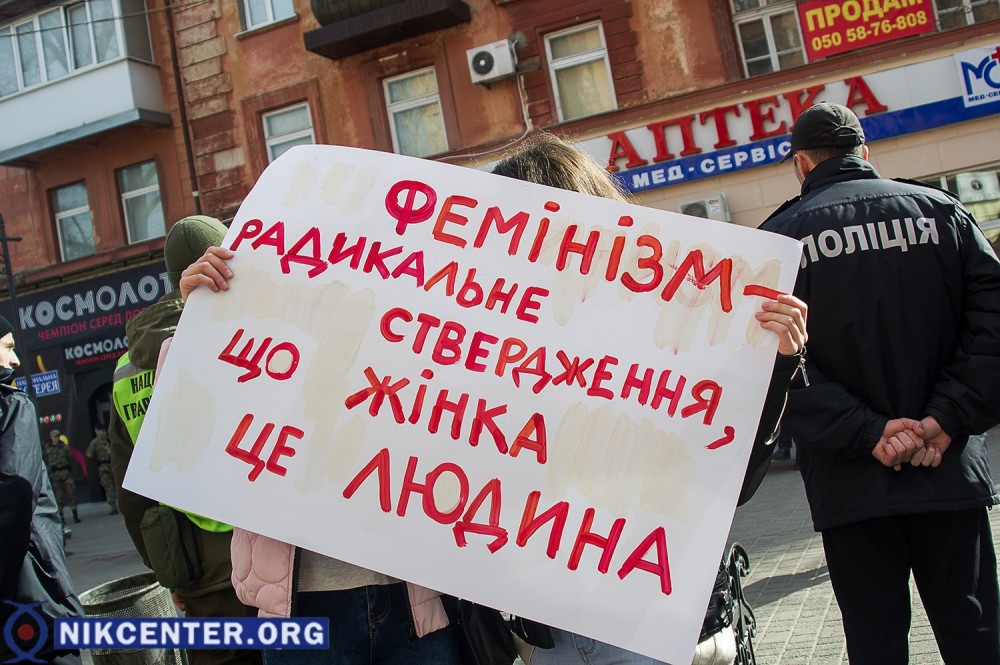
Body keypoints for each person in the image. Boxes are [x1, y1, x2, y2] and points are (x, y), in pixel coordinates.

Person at [181, 134, 807, 665]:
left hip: (647, 625)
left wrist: (774, 367)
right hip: (547, 634)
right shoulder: (471, 342)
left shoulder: (661, 335)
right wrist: (210, 321)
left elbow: (729, 479)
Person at [760, 102, 1000, 665]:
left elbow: (775, 368)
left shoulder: (777, 242)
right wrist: (945, 418)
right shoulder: (941, 212)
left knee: (876, 643)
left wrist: (869, 433)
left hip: (852, 486)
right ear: (864, 153)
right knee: (976, 636)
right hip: (947, 469)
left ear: (801, 164)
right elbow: (993, 327)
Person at [109, 215, 262, 665]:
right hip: (264, 552)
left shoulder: (125, 371)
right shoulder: (247, 333)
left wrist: (169, 573)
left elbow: (130, 492)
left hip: (193, 565)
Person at [0, 314, 84, 664]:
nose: (15, 360)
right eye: (7, 347)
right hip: (29, 596)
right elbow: (16, 495)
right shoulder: (11, 405)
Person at [44, 428, 80, 523]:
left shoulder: (64, 447)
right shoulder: (47, 448)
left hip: (66, 473)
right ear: (51, 437)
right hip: (55, 475)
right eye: (54, 436)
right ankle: (61, 517)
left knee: (71, 494)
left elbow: (69, 458)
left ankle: (75, 514)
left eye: (57, 436)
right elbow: (45, 460)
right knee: (58, 497)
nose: (56, 438)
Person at [85, 423, 117, 514]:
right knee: (119, 484)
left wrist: (96, 458)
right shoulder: (112, 437)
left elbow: (89, 455)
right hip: (115, 464)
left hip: (103, 466)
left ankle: (113, 507)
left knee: (108, 486)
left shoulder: (95, 442)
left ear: (97, 430)